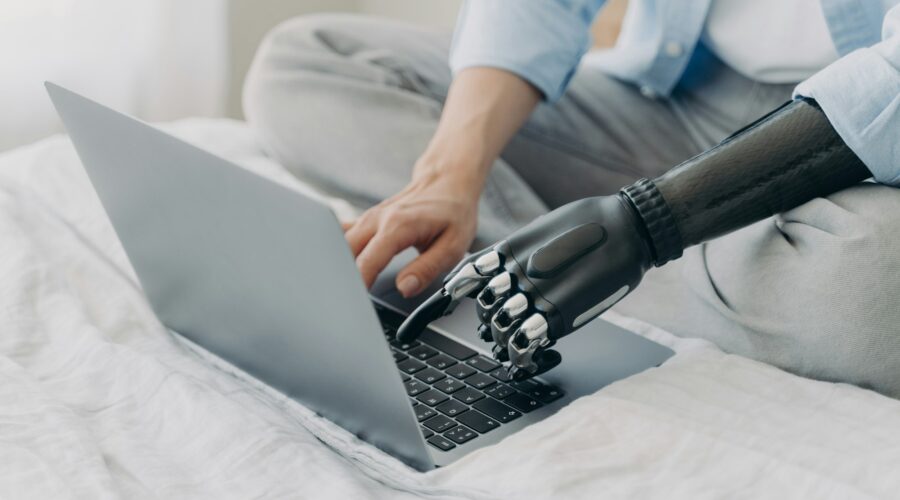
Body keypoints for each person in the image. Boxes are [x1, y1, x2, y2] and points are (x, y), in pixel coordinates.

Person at [243, 1, 900, 396]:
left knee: (875, 286)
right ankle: (546, 261)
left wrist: (647, 222)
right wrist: (453, 169)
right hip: (672, 100)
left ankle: (591, 260)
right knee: (308, 62)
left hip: (861, 139)